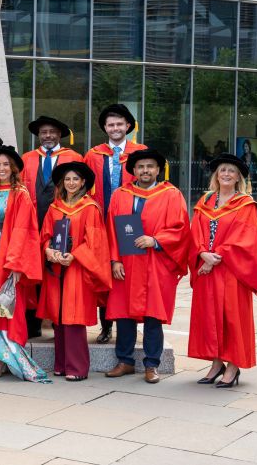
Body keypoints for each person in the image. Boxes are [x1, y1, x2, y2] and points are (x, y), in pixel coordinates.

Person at [104, 150, 189, 384]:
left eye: (150, 166)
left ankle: (152, 364)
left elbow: (181, 228)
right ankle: (125, 361)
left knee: (153, 314)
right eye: (140, 166)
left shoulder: (171, 195)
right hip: (127, 263)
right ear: (133, 170)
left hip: (155, 262)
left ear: (158, 169)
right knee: (123, 314)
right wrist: (115, 260)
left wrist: (156, 240)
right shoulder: (120, 195)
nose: (145, 171)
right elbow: (111, 229)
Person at [189, 154, 257, 388]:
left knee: (232, 318)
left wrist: (215, 257)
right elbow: (195, 232)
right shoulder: (205, 201)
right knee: (210, 317)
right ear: (216, 175)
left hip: (231, 271)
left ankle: (233, 366)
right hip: (206, 269)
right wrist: (202, 253)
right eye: (222, 170)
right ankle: (216, 363)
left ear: (238, 177)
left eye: (231, 171)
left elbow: (246, 237)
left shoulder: (245, 204)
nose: (226, 174)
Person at [0, 146, 49, 382]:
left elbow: (23, 231)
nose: (1, 168)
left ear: (14, 168)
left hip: (6, 255)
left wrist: (16, 264)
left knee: (4, 305)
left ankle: (0, 359)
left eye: (6, 164)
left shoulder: (20, 193)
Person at [39, 162, 111, 381]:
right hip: (56, 268)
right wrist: (48, 250)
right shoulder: (55, 207)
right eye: (67, 179)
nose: (71, 183)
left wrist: (75, 256)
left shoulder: (90, 208)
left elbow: (95, 242)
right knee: (59, 317)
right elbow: (45, 234)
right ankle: (61, 364)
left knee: (73, 317)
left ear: (83, 183)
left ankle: (77, 368)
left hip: (77, 269)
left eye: (76, 179)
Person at [84, 104, 147, 344]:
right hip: (100, 219)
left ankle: (127, 325)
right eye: (111, 124)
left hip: (129, 221)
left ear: (128, 126)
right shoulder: (93, 154)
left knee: (127, 273)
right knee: (102, 272)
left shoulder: (140, 153)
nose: (115, 128)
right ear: (105, 128)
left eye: (120, 124)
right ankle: (106, 326)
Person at [21, 117, 83, 339]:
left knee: (57, 271)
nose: (47, 135)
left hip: (62, 222)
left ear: (60, 134)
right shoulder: (27, 159)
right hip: (31, 224)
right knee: (31, 271)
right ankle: (32, 323)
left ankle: (60, 322)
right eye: (43, 132)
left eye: (52, 132)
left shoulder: (73, 158)